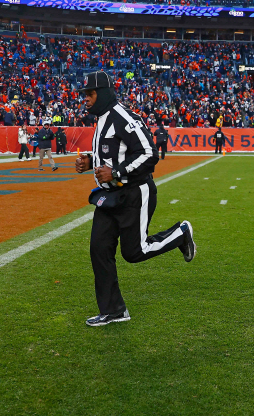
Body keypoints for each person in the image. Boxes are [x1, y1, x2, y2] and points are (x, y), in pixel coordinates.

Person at [74, 70, 196, 327]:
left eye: (90, 94)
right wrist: (91, 161)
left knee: (135, 252)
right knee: (99, 249)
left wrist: (115, 172)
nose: (85, 99)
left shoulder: (124, 118)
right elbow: (112, 154)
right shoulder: (103, 118)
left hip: (134, 193)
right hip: (109, 196)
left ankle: (181, 233)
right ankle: (114, 310)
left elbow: (149, 154)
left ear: (103, 94)